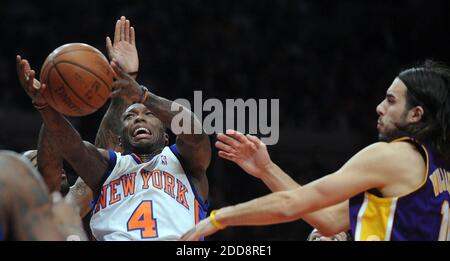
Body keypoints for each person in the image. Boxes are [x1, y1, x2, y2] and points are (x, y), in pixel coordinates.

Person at [181, 60, 450, 241]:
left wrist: (219, 218)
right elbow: (330, 220)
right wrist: (266, 170)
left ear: (416, 114)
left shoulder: (394, 156)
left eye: (391, 100)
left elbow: (291, 205)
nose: (380, 107)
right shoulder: (438, 168)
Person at [17, 39, 211, 241]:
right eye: (129, 116)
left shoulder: (185, 164)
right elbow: (71, 146)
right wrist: (47, 105)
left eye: (149, 114)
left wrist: (143, 96)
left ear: (166, 135)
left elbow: (195, 132)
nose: (139, 117)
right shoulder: (108, 167)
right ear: (119, 139)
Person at [0, 151, 86, 240]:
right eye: (44, 165)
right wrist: (71, 228)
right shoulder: (28, 221)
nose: (58, 167)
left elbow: (97, 155)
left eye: (57, 162)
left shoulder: (83, 192)